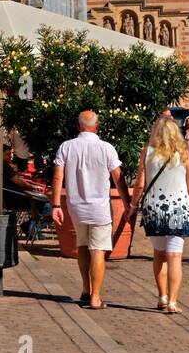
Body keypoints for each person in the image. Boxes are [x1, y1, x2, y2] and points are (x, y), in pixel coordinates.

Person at [51, 111, 132, 310]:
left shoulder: (66, 147)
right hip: (100, 209)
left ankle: (86, 290)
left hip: (76, 207)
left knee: (82, 246)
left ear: (78, 126)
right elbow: (118, 178)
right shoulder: (106, 148)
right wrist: (128, 204)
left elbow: (57, 178)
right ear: (97, 126)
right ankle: (96, 297)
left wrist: (55, 205)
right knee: (98, 250)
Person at [130, 116, 189, 313]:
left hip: (154, 210)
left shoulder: (147, 152)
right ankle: (173, 302)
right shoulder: (184, 154)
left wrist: (133, 206)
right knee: (175, 257)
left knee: (159, 255)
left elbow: (140, 184)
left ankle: (162, 296)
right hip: (178, 209)